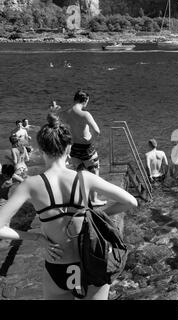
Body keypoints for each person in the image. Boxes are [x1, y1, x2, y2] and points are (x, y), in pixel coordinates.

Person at [0, 113, 138, 300]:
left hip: (58, 266)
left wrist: (36, 237)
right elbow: (131, 201)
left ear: (40, 150)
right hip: (92, 262)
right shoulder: (84, 177)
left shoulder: (30, 185)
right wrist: (98, 214)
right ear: (69, 148)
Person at [58, 90, 105, 206]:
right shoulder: (85, 114)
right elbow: (97, 131)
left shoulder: (64, 114)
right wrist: (91, 140)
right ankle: (93, 200)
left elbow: (60, 130)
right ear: (85, 100)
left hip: (74, 148)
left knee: (80, 174)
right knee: (94, 172)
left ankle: (82, 199)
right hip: (87, 148)